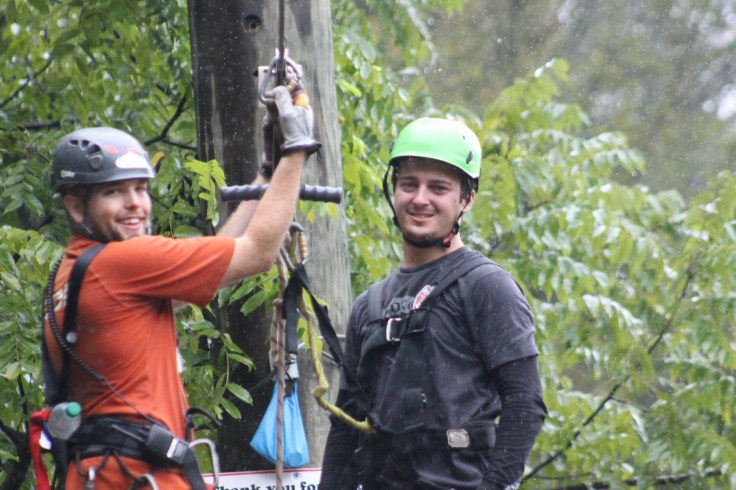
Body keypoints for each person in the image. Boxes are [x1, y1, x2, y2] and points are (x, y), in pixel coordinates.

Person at [41, 85, 319, 489]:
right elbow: (257, 252)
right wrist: (296, 151)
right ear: (74, 205)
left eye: (140, 188)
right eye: (113, 192)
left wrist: (267, 172)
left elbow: (221, 261)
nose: (135, 204)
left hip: (98, 473)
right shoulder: (122, 263)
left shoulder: (71, 272)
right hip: (138, 474)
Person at [319, 117, 547, 490]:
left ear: (466, 199)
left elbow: (525, 403)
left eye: (438, 187)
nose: (420, 199)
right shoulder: (369, 306)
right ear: (394, 190)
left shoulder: (486, 287)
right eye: (409, 184)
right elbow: (346, 425)